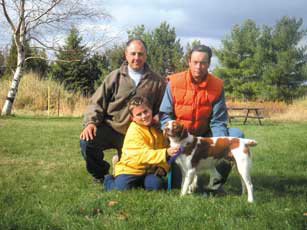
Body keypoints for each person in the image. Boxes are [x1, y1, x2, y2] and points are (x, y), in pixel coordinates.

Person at [159, 44, 244, 193]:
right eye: (195, 62)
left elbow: (218, 120)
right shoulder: (173, 82)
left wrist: (218, 145)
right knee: (178, 185)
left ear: (209, 63)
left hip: (205, 135)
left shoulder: (217, 85)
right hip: (180, 137)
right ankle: (188, 177)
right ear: (189, 62)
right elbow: (165, 115)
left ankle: (216, 183)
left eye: (203, 63)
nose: (199, 66)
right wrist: (173, 139)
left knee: (236, 136)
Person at [80, 39, 166, 183]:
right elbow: (97, 102)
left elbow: (163, 109)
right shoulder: (114, 77)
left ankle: (120, 163)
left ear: (146, 56)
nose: (136, 58)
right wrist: (91, 123)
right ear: (126, 55)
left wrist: (156, 120)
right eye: (133, 54)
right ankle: (101, 175)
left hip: (140, 134)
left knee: (137, 175)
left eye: (140, 54)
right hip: (112, 128)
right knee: (87, 142)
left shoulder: (157, 81)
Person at [104, 96, 179, 191]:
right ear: (133, 118)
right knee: (121, 188)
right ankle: (108, 178)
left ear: (151, 110)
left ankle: (144, 182)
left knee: (156, 186)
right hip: (131, 168)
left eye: (145, 111)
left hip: (151, 170)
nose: (144, 116)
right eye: (139, 114)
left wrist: (163, 167)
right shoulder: (134, 131)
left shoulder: (158, 128)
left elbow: (167, 149)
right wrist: (165, 153)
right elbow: (143, 155)